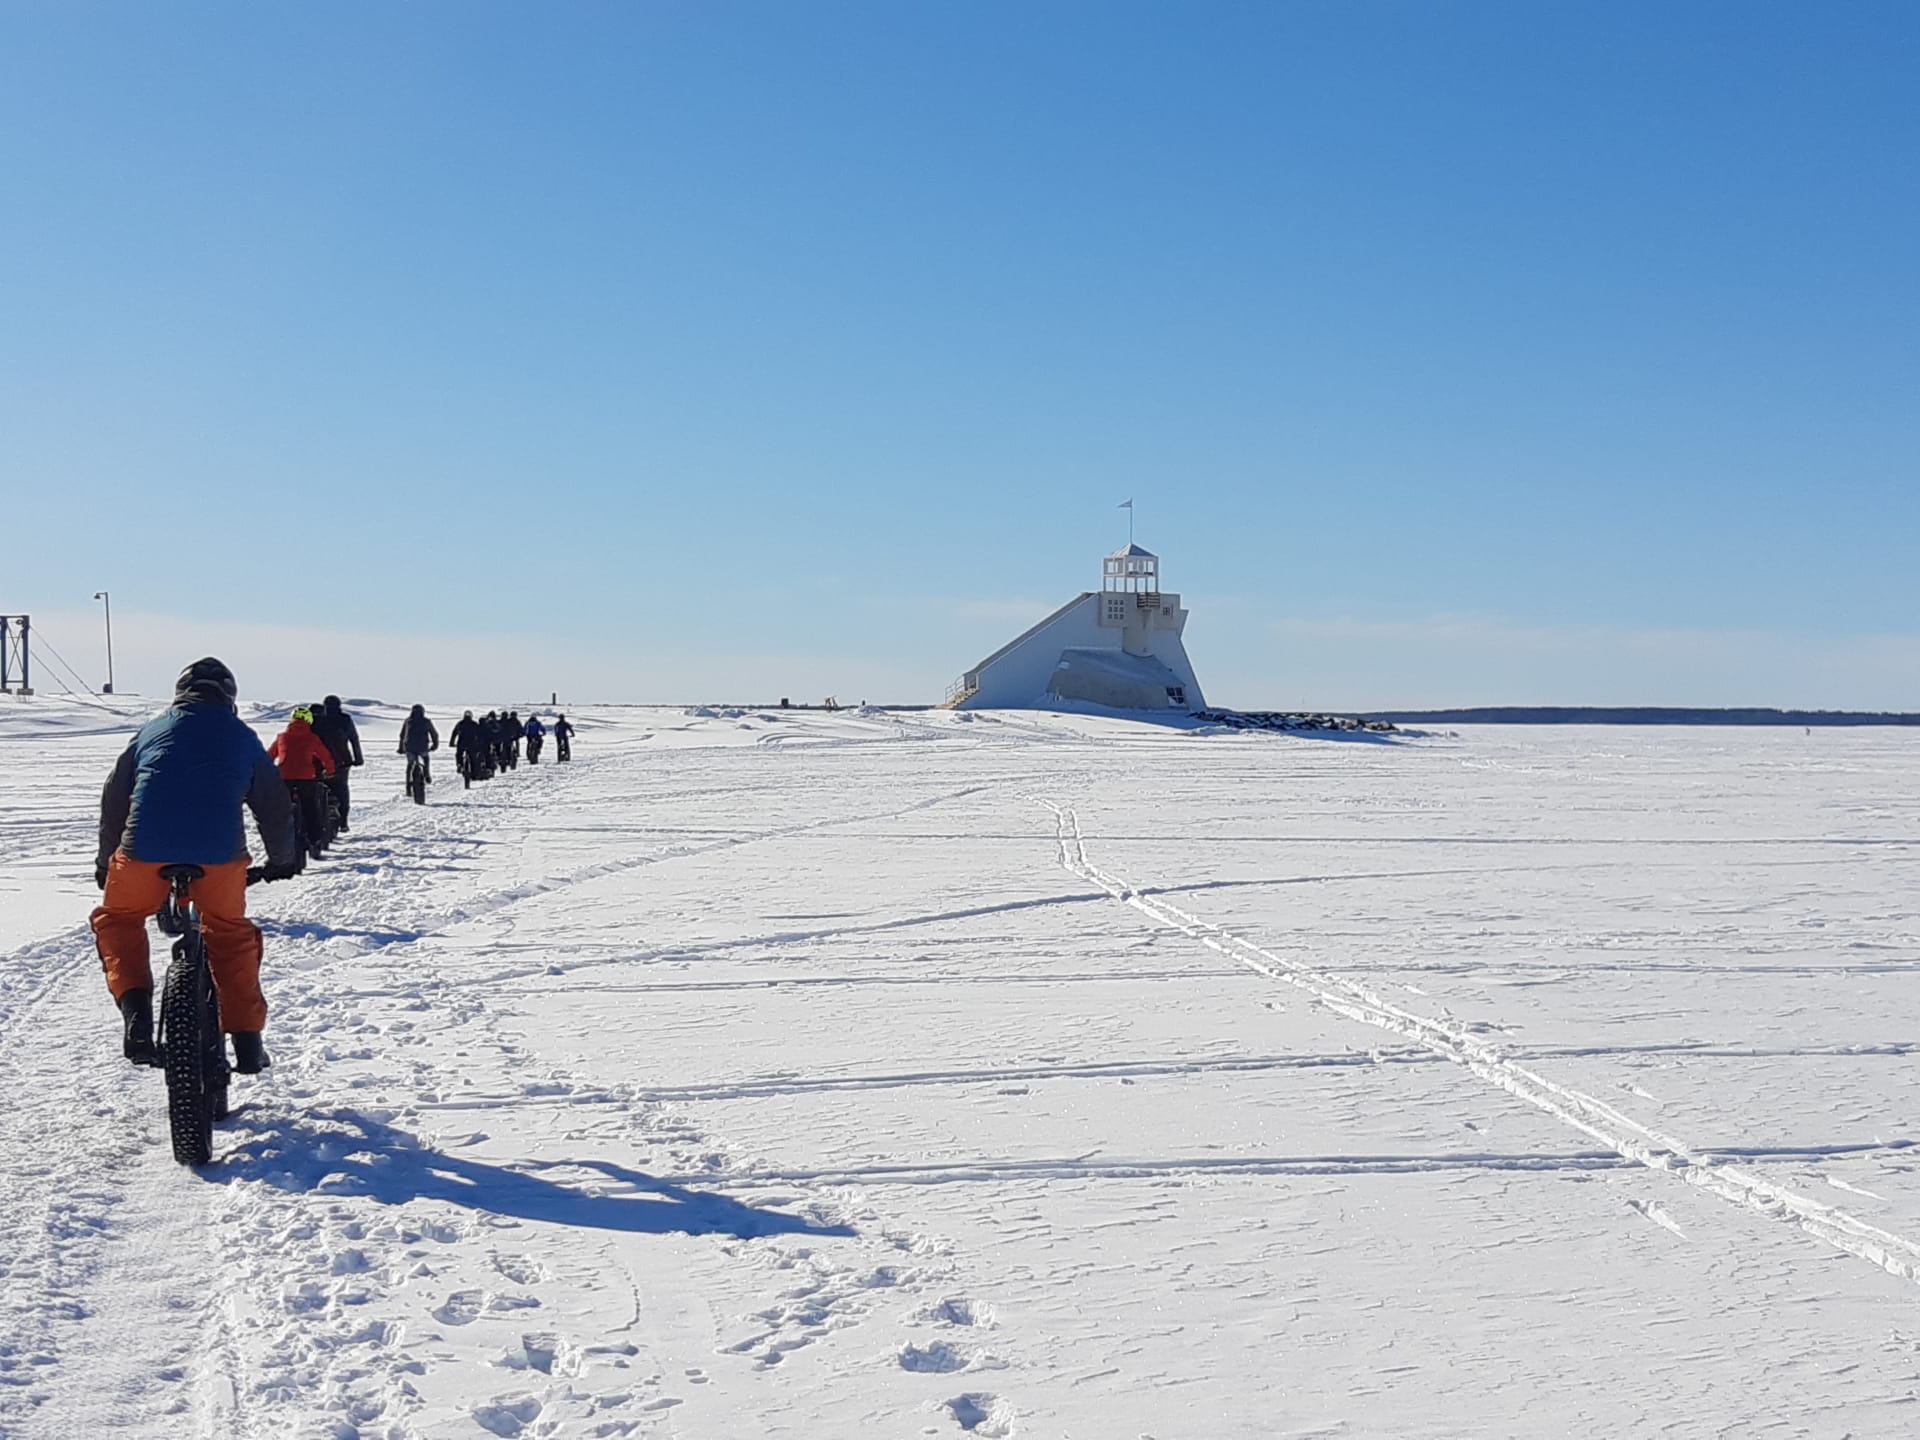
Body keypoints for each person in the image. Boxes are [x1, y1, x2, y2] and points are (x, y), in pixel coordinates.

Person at [92, 657, 299, 1072]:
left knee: (119, 920)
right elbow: (274, 806)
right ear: (229, 697)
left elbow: (115, 797)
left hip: (141, 853)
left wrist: (105, 860)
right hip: (218, 858)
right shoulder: (242, 737)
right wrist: (282, 860)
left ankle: (136, 1017)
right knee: (229, 934)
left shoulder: (151, 730)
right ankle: (246, 1042)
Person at [268, 706, 337, 862]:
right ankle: (314, 842)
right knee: (310, 810)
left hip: (284, 778)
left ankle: (279, 843)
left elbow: (269, 756)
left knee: (280, 810)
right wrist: (330, 770)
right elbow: (325, 756)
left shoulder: (281, 737)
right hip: (306, 778)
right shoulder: (312, 737)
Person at [311, 695, 364, 831]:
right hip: (342, 761)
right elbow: (354, 739)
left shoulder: (317, 720)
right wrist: (358, 758)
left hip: (318, 761)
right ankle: (343, 822)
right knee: (341, 790)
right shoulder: (345, 719)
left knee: (314, 788)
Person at [397, 704, 439, 783]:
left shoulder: (408, 721)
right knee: (426, 759)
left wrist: (401, 748)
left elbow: (402, 735)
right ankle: (427, 774)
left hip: (409, 747)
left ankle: (408, 783)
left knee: (410, 764)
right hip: (422, 747)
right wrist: (435, 745)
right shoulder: (426, 721)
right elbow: (434, 734)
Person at [449, 709, 485, 784]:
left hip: (461, 743)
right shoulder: (474, 724)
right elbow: (480, 734)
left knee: (459, 754)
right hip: (472, 744)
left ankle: (459, 765)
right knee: (473, 758)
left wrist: (451, 742)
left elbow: (454, 733)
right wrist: (480, 743)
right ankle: (474, 773)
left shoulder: (460, 723)